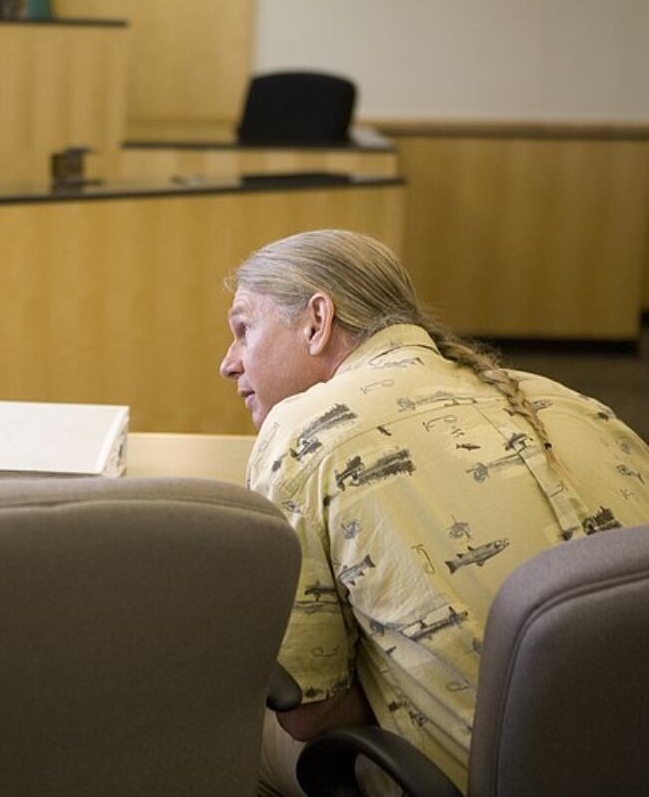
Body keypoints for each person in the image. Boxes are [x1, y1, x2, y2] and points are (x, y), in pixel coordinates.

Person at [218, 229, 649, 796]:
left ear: (317, 321)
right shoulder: (570, 401)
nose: (229, 363)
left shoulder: (305, 429)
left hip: (473, 779)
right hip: (625, 757)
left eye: (244, 329)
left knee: (214, 719)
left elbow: (311, 711)